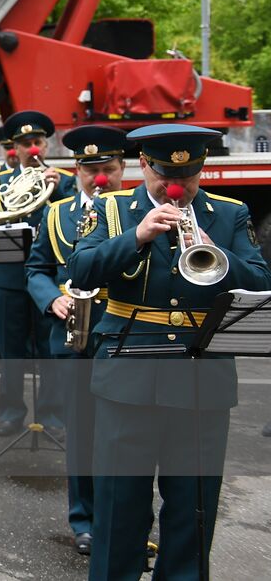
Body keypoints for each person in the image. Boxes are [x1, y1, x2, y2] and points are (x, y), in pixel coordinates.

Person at [68, 124, 270, 580]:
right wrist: (136, 236)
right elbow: (80, 270)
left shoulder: (229, 213)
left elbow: (260, 282)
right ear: (144, 165)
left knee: (193, 509)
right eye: (163, 173)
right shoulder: (114, 208)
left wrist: (212, 248)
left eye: (190, 173)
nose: (176, 185)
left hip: (201, 378)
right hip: (127, 375)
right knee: (121, 505)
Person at [24, 125, 127, 558]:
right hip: (74, 337)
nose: (99, 178)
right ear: (77, 172)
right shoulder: (54, 213)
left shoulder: (137, 211)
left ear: (124, 168)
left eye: (108, 168)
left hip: (124, 336)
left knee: (126, 437)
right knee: (83, 435)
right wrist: (53, 303)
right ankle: (84, 521)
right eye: (91, 171)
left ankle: (126, 519)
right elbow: (36, 270)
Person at [0, 110, 73, 436]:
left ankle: (52, 414)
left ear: (46, 146)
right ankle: (9, 412)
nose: (32, 148)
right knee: (10, 349)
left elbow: (74, 221)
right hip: (9, 277)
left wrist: (58, 191)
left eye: (37, 142)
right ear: (14, 149)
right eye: (25, 144)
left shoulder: (65, 180)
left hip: (48, 278)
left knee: (50, 349)